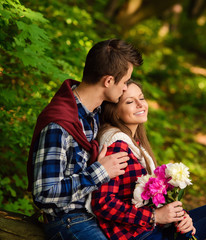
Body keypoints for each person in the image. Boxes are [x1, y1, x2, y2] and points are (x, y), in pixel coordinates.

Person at [91, 80, 206, 240]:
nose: (140, 104)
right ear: (115, 111)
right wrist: (154, 216)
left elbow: (148, 199)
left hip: (154, 229)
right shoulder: (117, 146)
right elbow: (103, 203)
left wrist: (180, 217)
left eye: (141, 98)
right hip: (140, 235)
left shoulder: (135, 145)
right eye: (130, 102)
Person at [27, 39, 144, 240]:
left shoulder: (95, 113)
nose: (125, 88)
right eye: (125, 82)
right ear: (108, 81)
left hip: (96, 213)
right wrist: (100, 172)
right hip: (69, 220)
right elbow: (44, 194)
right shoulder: (59, 125)